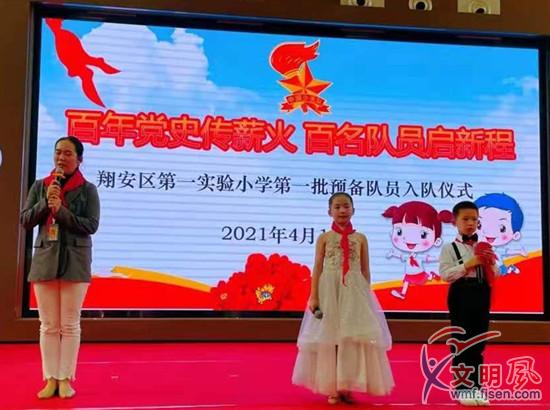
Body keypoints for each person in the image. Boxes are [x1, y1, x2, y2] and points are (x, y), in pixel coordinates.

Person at [292, 192, 394, 404]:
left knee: (351, 339)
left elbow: (365, 269)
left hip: (354, 292)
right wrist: (314, 296)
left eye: (346, 206)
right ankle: (332, 387)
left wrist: (366, 296)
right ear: (329, 211)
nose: (342, 210)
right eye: (337, 207)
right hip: (329, 291)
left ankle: (346, 384)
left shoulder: (361, 238)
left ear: (353, 210)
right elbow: (317, 267)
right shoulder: (324, 238)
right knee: (330, 339)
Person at [21, 136, 100, 399]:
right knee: (48, 325)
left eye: (67, 153)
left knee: (69, 324)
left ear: (79, 159)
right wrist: (46, 203)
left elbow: (91, 225)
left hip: (75, 262)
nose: (61, 157)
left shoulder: (87, 189)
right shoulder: (41, 186)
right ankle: (50, 378)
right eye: (58, 152)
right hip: (45, 260)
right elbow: (25, 220)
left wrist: (61, 210)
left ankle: (65, 378)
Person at [439, 201, 498, 407]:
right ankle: (462, 389)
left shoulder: (484, 246)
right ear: (454, 221)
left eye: (474, 219)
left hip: (482, 292)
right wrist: (468, 264)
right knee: (462, 341)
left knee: (479, 342)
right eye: (465, 219)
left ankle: (476, 387)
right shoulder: (449, 248)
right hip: (461, 293)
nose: (470, 223)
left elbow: (495, 275)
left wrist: (491, 263)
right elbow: (445, 275)